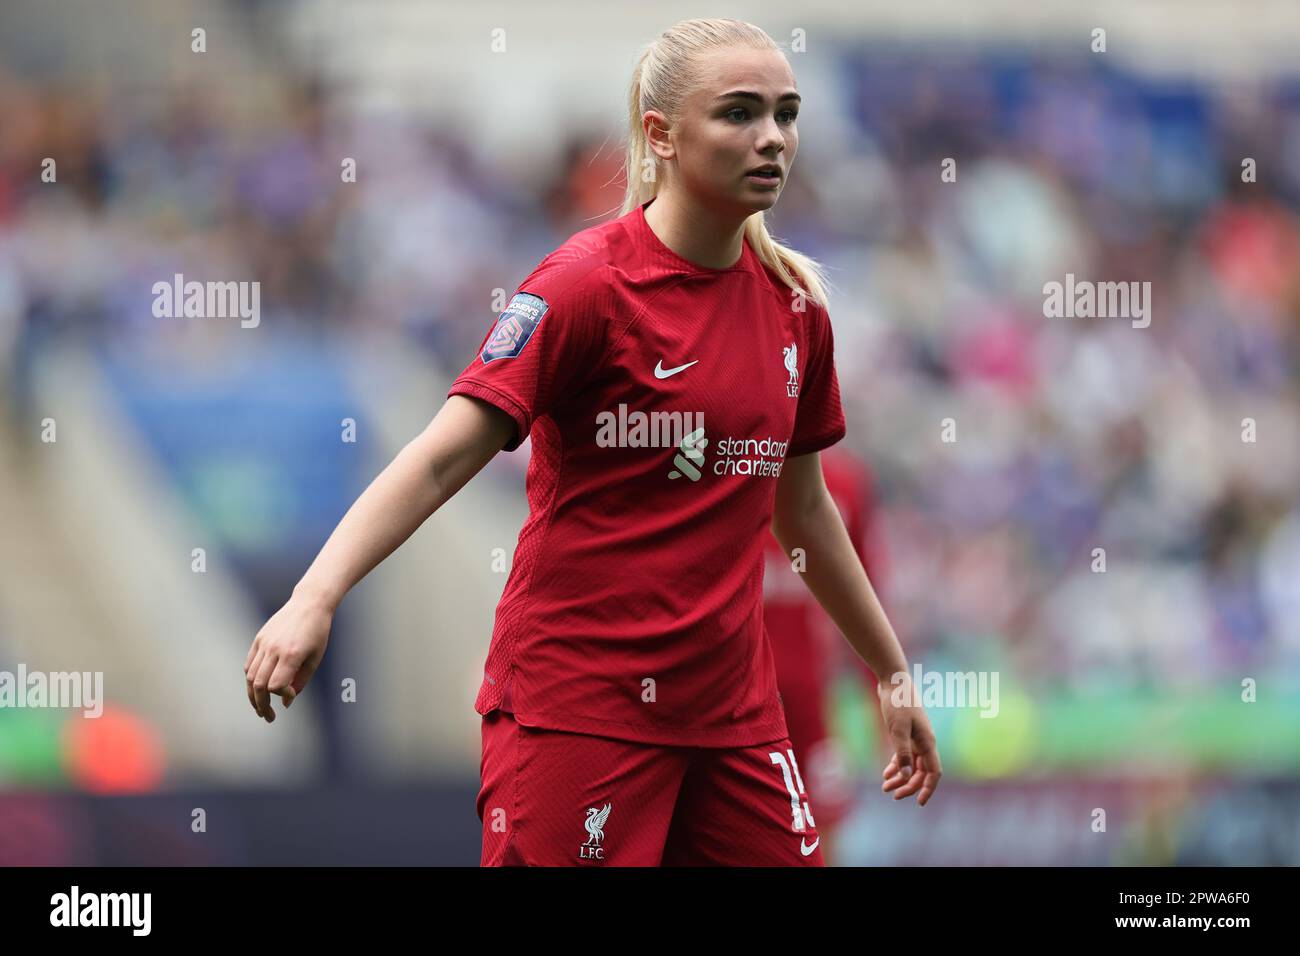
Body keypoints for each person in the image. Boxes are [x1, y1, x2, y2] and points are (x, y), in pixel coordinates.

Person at [243, 17, 940, 866]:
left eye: (786, 114)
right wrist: (314, 598)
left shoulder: (796, 305)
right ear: (661, 135)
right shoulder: (585, 287)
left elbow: (805, 515)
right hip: (579, 709)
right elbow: (437, 459)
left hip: (734, 720)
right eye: (740, 114)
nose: (772, 139)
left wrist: (890, 672)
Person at [763, 444, 888, 865]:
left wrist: (883, 695)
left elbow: (867, 595)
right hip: (731, 702)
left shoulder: (846, 485)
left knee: (821, 831)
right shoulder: (724, 471)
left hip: (812, 708)